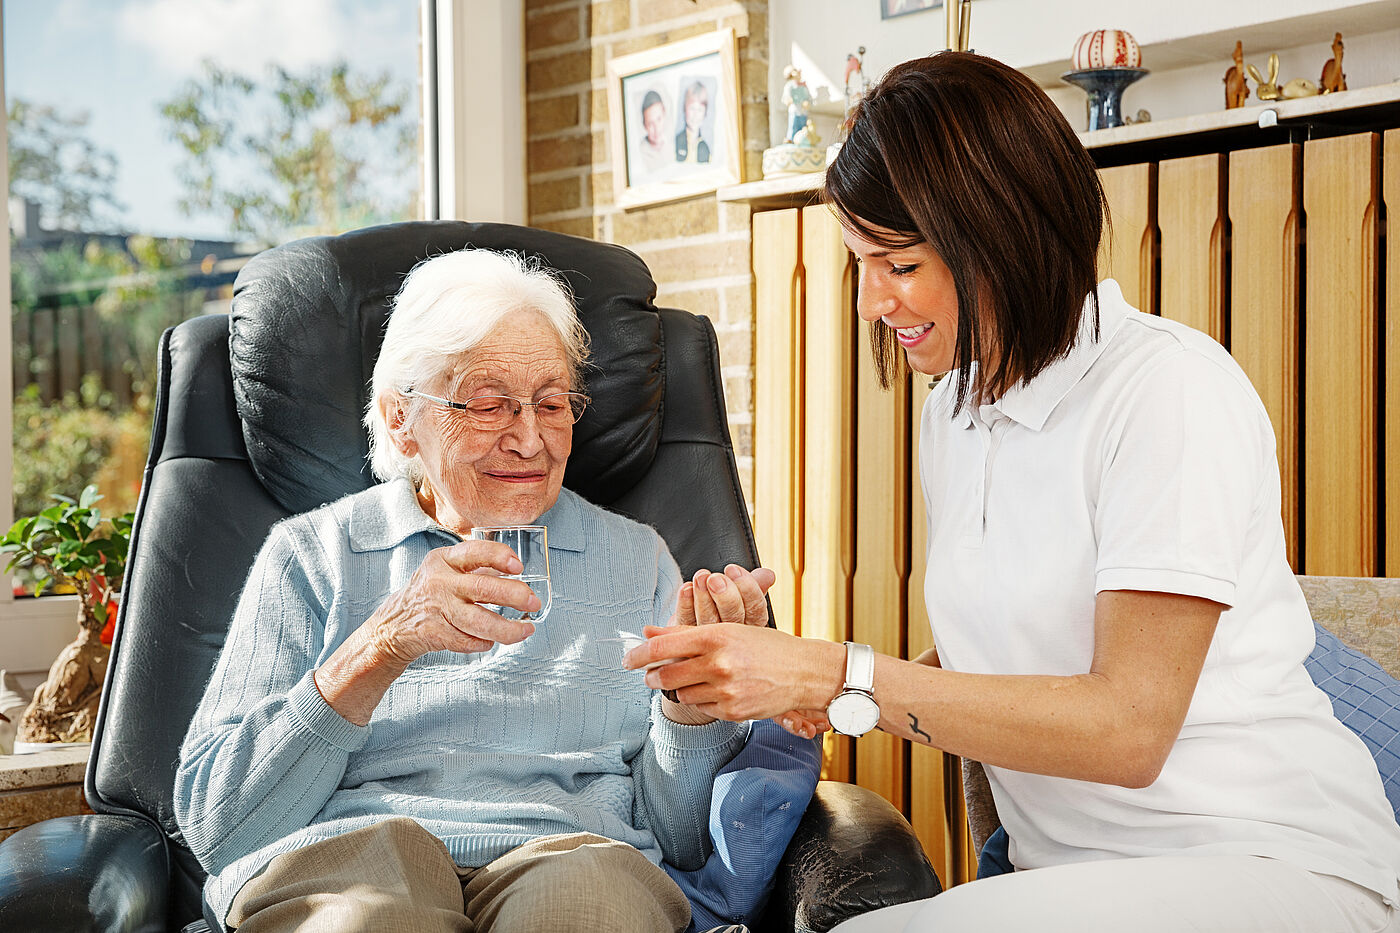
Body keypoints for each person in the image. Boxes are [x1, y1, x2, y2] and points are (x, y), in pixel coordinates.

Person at [627, 52, 1400, 932]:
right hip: (1071, 878)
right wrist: (821, 694)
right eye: (860, 263)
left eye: (900, 265)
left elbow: (1127, 727)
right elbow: (1018, 650)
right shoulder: (953, 412)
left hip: (1268, 862)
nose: (872, 301)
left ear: (997, 233)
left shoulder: (1168, 391)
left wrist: (837, 668)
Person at [174, 248, 808, 933]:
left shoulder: (636, 560)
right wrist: (382, 644)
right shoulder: (312, 556)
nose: (531, 439)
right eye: (487, 402)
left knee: (586, 909)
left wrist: (690, 709)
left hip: (574, 853)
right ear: (399, 417)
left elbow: (678, 838)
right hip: (350, 854)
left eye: (552, 402)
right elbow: (218, 824)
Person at [675, 80, 711, 164]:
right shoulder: (675, 143)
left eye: (699, 110)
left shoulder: (705, 149)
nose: (695, 115)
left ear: (705, 113)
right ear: (684, 109)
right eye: (692, 108)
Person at [638, 88, 671, 176]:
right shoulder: (640, 154)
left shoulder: (674, 145)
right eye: (650, 123)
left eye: (659, 119)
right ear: (644, 125)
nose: (656, 129)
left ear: (664, 114)